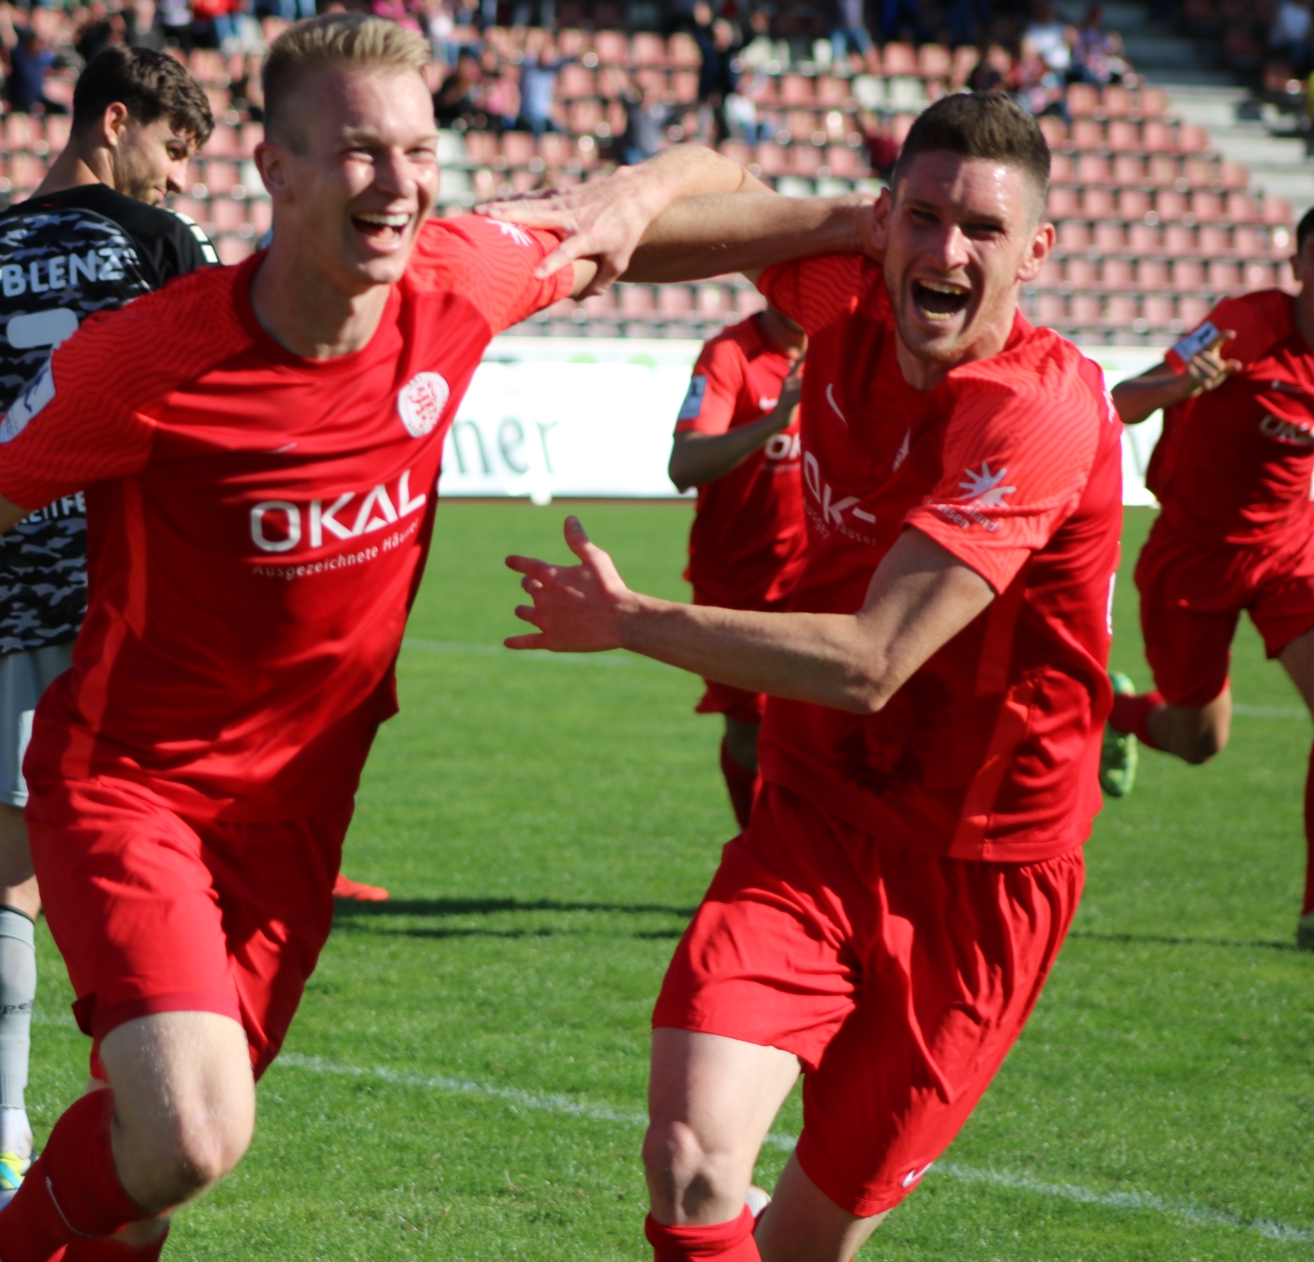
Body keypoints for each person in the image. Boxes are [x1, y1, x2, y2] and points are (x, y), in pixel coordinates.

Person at [0, 13, 863, 1262]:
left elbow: (699, 184)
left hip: (300, 815)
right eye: (359, 150)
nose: (398, 183)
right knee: (196, 1127)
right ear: (276, 169)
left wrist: (707, 199)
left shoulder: (458, 279)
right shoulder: (151, 360)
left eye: (420, 151)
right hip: (134, 787)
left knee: (153, 1170)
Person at [502, 91, 1120, 1260]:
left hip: (983, 871)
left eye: (983, 230)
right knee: (690, 1160)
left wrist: (631, 619)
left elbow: (875, 660)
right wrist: (644, 188)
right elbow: (663, 234)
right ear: (883, 222)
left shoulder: (1036, 409)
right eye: (923, 218)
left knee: (802, 1242)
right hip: (812, 822)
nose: (948, 253)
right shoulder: (849, 292)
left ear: (1037, 251)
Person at [0, 43, 218, 1195]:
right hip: (151, 601)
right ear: (114, 122)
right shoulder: (160, 245)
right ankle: (154, 1112)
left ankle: (3, 1134)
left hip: (24, 599)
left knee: (11, 877)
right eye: (174, 149)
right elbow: (222, 414)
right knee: (170, 865)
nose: (178, 178)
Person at [1103, 208, 1314, 949]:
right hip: (1192, 556)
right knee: (1197, 741)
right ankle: (1114, 711)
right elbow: (1123, 402)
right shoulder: (1239, 328)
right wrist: (1183, 384)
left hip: (1290, 553)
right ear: (1298, 267)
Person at [666, 307, 807, 831]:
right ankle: (757, 846)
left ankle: (800, 861)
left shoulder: (854, 350)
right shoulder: (731, 354)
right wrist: (773, 422)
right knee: (750, 738)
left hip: (821, 579)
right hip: (739, 583)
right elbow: (684, 466)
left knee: (826, 735)